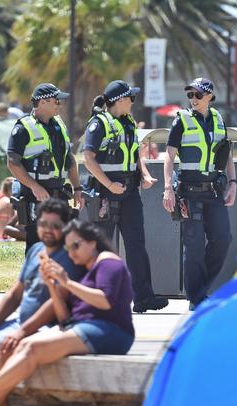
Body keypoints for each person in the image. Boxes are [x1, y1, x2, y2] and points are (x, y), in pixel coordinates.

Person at [0, 219, 136, 406]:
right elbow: (64, 318)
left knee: (31, 348)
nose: (71, 253)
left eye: (76, 246)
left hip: (110, 331)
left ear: (93, 242)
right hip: (83, 328)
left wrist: (68, 283)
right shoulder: (85, 271)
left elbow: (105, 300)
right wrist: (53, 286)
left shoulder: (109, 262)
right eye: (68, 248)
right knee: (22, 345)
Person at [0, 198, 84, 406]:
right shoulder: (34, 250)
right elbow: (15, 294)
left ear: (67, 226)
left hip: (50, 328)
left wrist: (21, 332)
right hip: (22, 324)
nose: (48, 229)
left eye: (55, 225)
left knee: (8, 350)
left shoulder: (71, 256)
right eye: (43, 223)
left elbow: (56, 304)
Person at [82, 79, 169, 314]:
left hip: (129, 191)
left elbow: (135, 154)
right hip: (104, 193)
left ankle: (144, 297)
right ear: (120, 100)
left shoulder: (128, 123)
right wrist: (109, 184)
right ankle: (98, 299)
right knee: (102, 248)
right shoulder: (98, 124)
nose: (133, 102)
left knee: (136, 245)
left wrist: (145, 175)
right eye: (131, 97)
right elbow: (88, 158)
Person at [162, 77, 237, 310]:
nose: (193, 99)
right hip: (188, 192)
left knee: (223, 239)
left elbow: (226, 155)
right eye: (190, 95)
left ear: (209, 97)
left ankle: (202, 288)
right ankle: (197, 298)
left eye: (197, 95)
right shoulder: (181, 121)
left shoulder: (218, 119)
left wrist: (233, 182)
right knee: (193, 247)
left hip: (213, 190)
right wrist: (167, 188)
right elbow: (169, 156)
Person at [6, 82, 84, 253]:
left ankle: (57, 279)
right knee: (37, 244)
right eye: (56, 101)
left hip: (59, 192)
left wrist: (77, 187)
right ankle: (33, 278)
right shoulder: (23, 128)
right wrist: (34, 186)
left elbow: (69, 158)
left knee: (63, 242)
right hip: (36, 195)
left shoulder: (59, 125)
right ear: (42, 102)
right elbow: (12, 162)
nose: (59, 104)